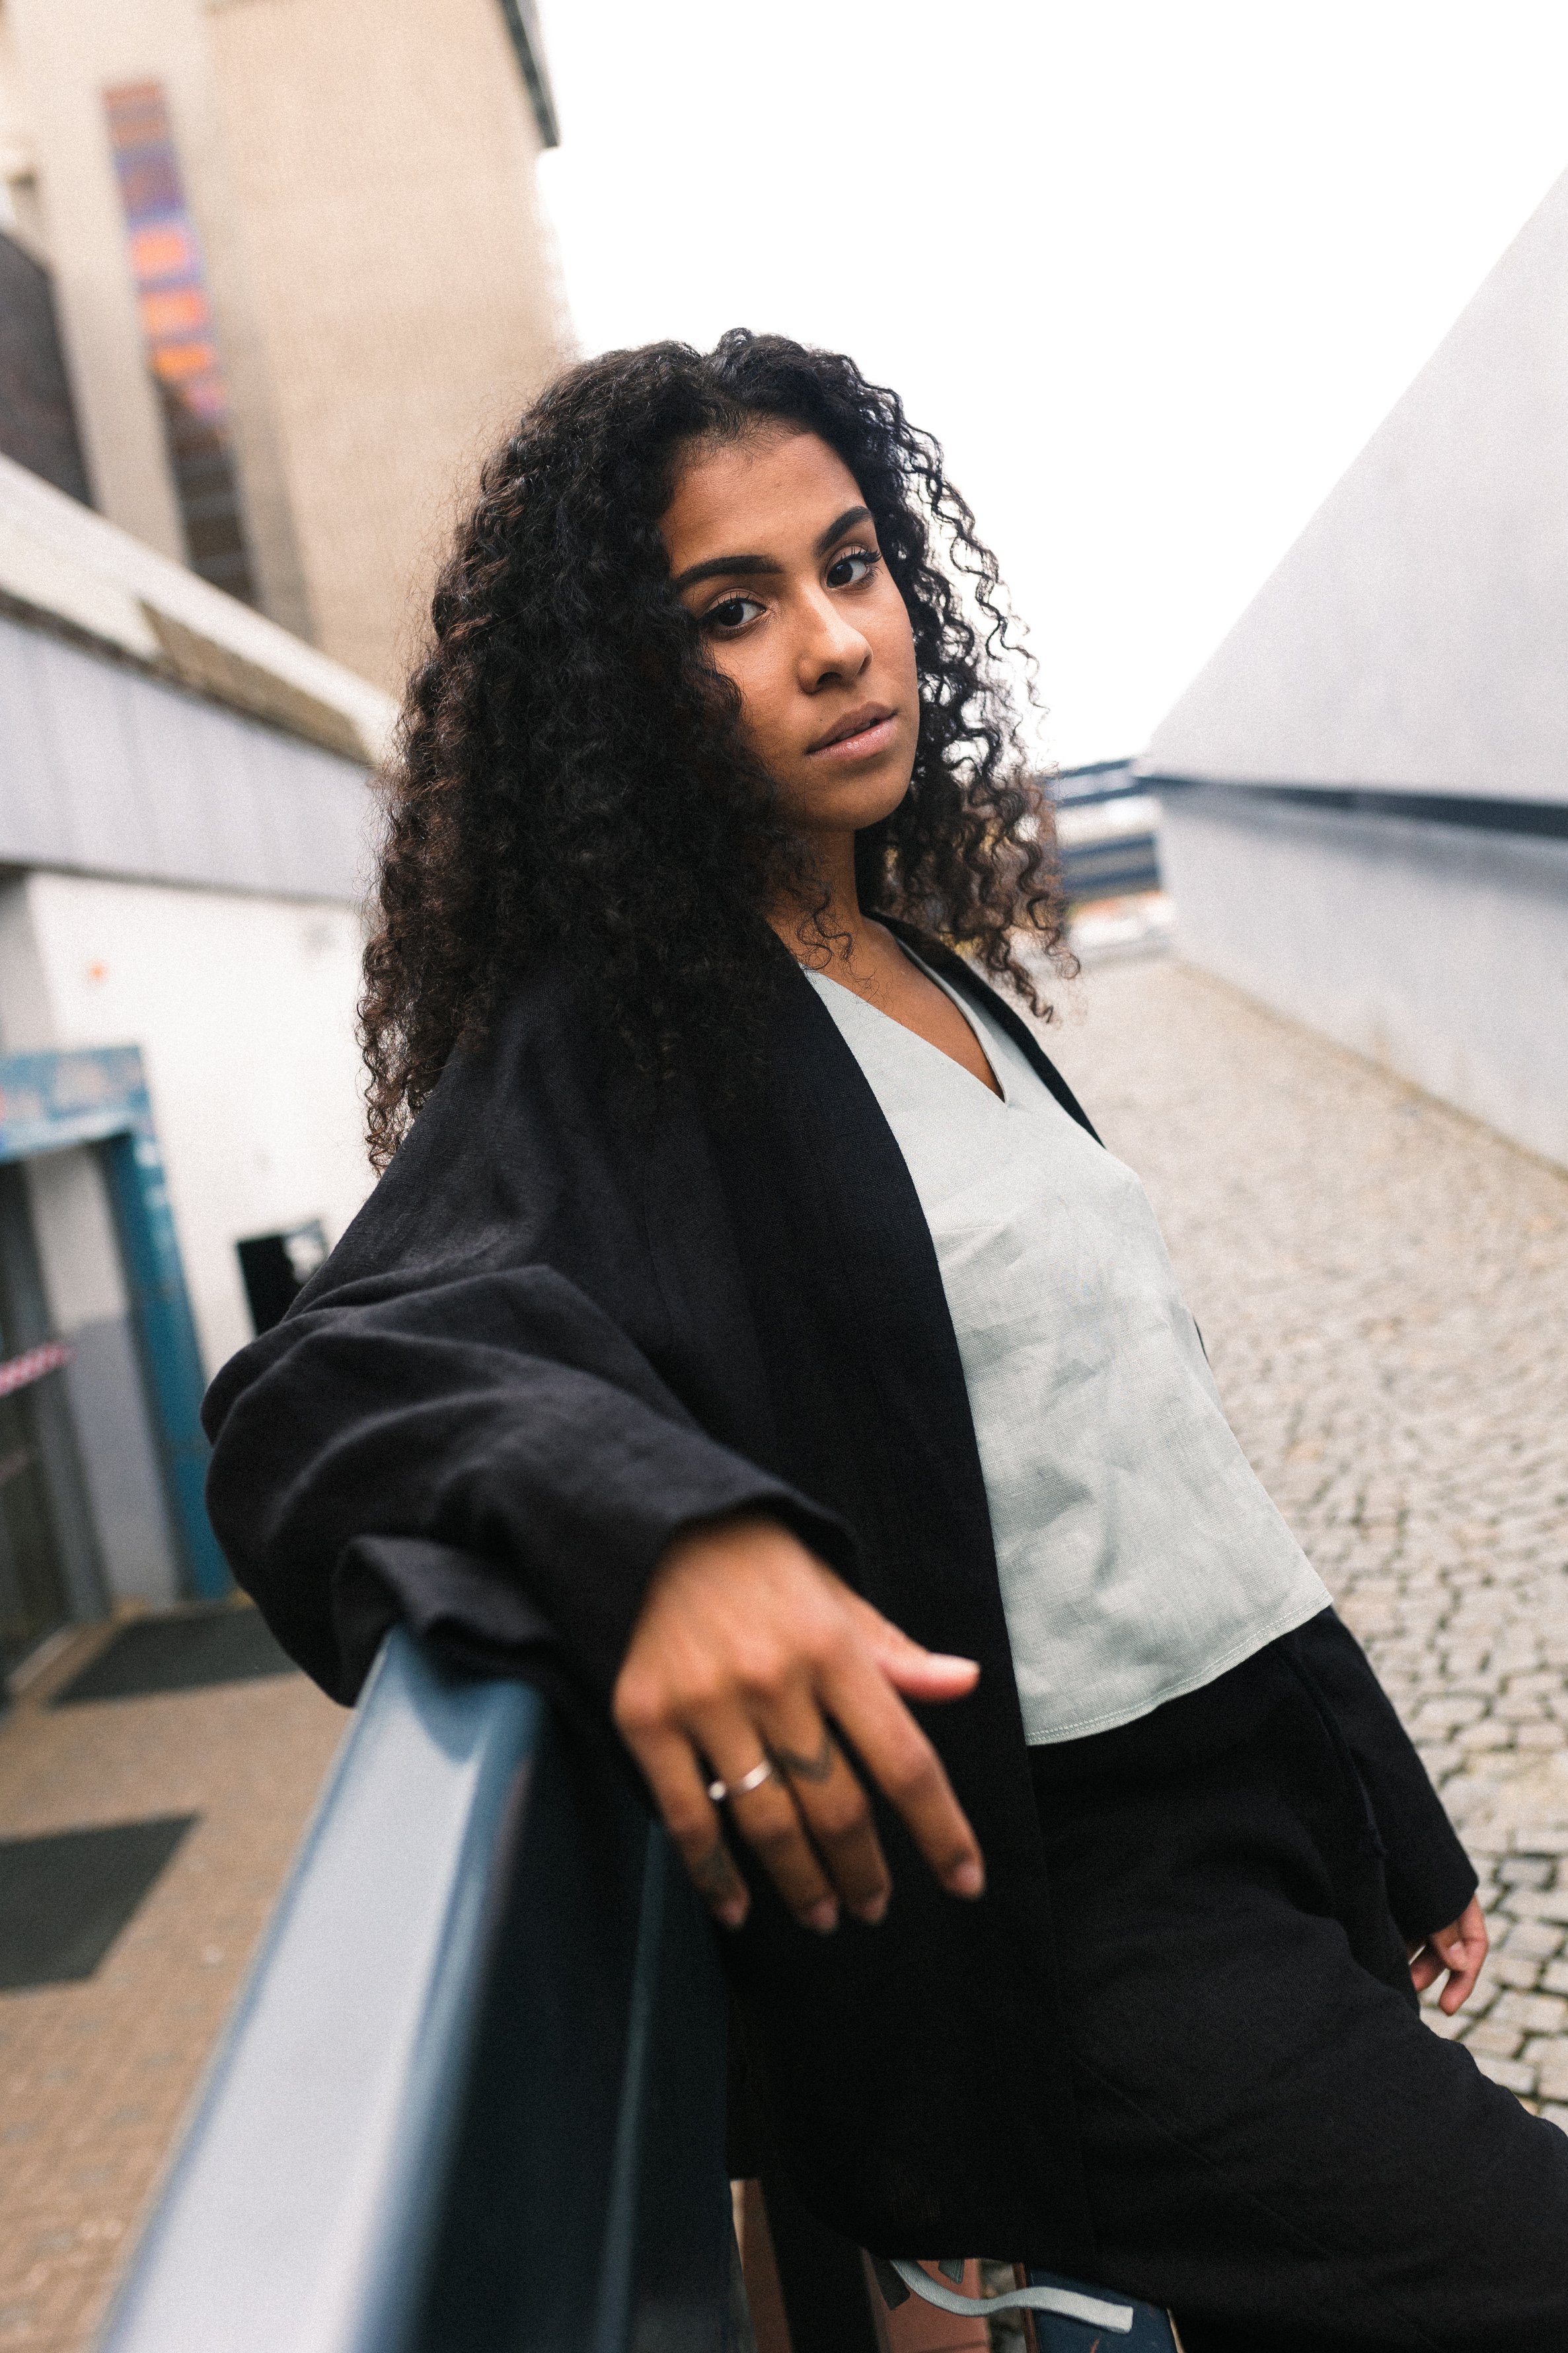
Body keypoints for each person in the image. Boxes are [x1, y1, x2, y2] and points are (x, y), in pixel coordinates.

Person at [202, 330, 1568, 2348]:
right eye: (730, 610)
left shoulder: (924, 969)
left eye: (852, 566)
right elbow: (334, 1372)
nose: (837, 643)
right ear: (618, 693)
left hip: (1258, 1825)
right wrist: (664, 1536)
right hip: (1072, 1920)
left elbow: (1143, 1451)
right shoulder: (620, 1044)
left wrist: (1375, 1792)